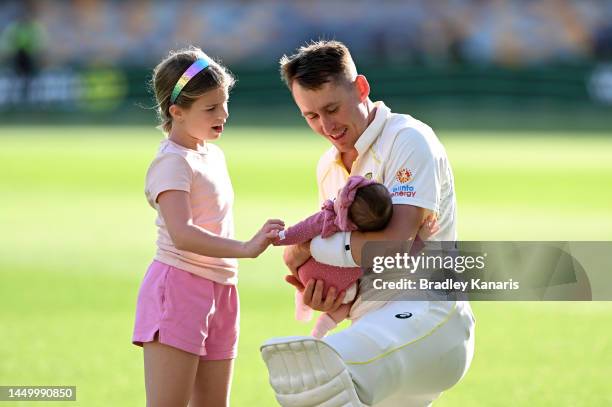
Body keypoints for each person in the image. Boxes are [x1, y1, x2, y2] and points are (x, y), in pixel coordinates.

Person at [261, 40, 475, 407]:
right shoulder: (327, 165)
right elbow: (339, 259)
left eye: (332, 108)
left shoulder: (408, 139)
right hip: (374, 331)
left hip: (430, 317)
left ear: (361, 88)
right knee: (315, 381)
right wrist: (323, 291)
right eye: (311, 116)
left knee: (314, 376)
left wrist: (309, 247)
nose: (326, 126)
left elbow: (392, 247)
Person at [131, 47, 284, 407]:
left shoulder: (212, 154)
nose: (224, 114)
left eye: (225, 102)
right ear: (177, 112)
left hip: (221, 291)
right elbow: (182, 233)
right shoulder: (171, 163)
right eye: (211, 108)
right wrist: (245, 248)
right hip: (180, 288)